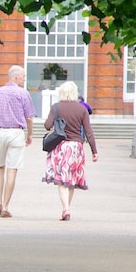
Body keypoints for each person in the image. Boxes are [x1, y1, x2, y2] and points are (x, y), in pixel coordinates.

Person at [0, 65, 35, 218]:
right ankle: (5, 206)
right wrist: (29, 135)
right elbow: (29, 117)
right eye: (23, 76)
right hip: (16, 132)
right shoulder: (23, 94)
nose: (24, 79)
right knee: (12, 169)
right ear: (16, 77)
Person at [42, 81, 97, 221]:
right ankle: (66, 209)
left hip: (61, 147)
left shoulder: (56, 107)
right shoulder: (82, 109)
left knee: (61, 180)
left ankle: (66, 209)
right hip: (76, 147)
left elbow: (47, 126)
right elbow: (89, 132)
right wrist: (94, 151)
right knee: (71, 180)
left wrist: (56, 122)